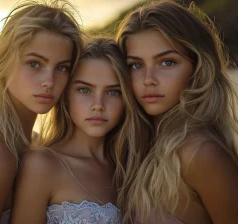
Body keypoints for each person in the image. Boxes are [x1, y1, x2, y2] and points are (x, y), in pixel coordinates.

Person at [115, 0, 238, 223]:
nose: (148, 80)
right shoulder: (132, 147)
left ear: (198, 68)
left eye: (167, 62)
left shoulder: (200, 154)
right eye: (136, 65)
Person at [0, 1, 83, 223]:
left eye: (62, 68)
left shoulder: (34, 142)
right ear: (2, 63)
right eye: (34, 64)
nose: (49, 81)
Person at [10, 38, 141, 223]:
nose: (98, 105)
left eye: (113, 92)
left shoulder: (133, 167)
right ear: (66, 95)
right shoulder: (42, 164)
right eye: (84, 90)